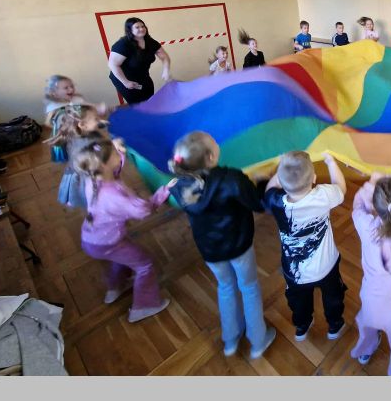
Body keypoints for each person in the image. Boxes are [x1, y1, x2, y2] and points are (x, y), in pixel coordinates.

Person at [168, 131, 276, 359]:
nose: (218, 143)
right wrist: (261, 181)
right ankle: (258, 341)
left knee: (225, 287)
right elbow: (258, 203)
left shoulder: (180, 185)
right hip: (239, 246)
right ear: (210, 157)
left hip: (210, 251)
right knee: (249, 287)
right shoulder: (232, 179)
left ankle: (230, 340)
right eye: (214, 143)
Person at [72, 138, 173, 323]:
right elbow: (143, 210)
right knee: (145, 265)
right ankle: (144, 307)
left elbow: (115, 169)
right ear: (104, 164)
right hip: (108, 243)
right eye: (114, 154)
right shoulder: (113, 195)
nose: (119, 154)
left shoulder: (93, 177)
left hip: (92, 238)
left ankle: (115, 288)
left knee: (120, 257)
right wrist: (163, 192)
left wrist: (119, 151)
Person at [264, 151, 348, 342]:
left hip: (295, 273)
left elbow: (270, 188)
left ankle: (302, 325)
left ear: (281, 183)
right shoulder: (323, 195)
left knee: (298, 302)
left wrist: (280, 169)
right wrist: (331, 161)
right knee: (333, 297)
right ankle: (335, 324)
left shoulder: (276, 202)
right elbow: (341, 188)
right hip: (327, 266)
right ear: (314, 178)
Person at [349, 173, 391, 375]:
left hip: (370, 297)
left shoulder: (366, 226)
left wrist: (370, 183)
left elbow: (357, 206)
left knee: (368, 325)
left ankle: (366, 349)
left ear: (374, 205)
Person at [44, 104, 124, 209]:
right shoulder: (85, 144)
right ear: (82, 124)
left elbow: (93, 127)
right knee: (95, 198)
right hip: (87, 176)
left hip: (82, 170)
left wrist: (100, 123)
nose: (99, 120)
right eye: (96, 119)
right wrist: (114, 145)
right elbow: (99, 159)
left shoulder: (76, 131)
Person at [44, 75, 107, 163]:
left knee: (85, 143)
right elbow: (48, 123)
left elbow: (88, 106)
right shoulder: (53, 107)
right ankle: (73, 159)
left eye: (72, 86)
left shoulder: (77, 99)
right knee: (69, 148)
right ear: (54, 93)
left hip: (80, 128)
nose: (71, 89)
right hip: (65, 132)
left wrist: (98, 107)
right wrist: (60, 128)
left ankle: (88, 154)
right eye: (66, 88)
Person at [108, 18, 171, 104]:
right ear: (130, 30)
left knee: (149, 99)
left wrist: (166, 71)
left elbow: (164, 57)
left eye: (143, 26)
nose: (141, 29)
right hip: (124, 78)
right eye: (137, 27)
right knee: (137, 103)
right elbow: (113, 64)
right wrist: (126, 82)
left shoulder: (150, 42)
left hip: (143, 76)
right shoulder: (123, 44)